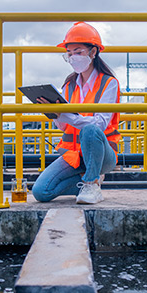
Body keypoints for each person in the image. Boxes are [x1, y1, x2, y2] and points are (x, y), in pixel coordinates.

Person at [32, 22, 121, 205]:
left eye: (78, 52)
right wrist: (55, 114)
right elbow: (64, 126)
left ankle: (92, 182)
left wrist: (67, 115)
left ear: (93, 52)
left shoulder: (109, 83)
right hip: (74, 154)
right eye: (70, 54)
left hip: (102, 154)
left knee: (90, 129)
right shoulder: (68, 85)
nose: (73, 57)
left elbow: (99, 125)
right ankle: (89, 181)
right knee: (41, 192)